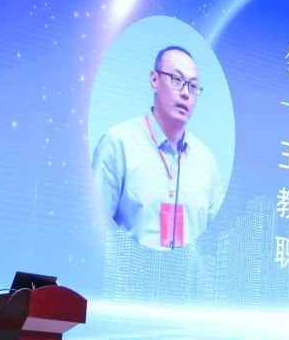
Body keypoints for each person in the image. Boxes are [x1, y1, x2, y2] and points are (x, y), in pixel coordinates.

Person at [92, 45, 224, 249]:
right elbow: (94, 229)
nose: (186, 93)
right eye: (177, 80)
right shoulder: (118, 143)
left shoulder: (206, 162)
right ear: (154, 80)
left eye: (193, 86)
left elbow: (216, 242)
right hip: (128, 267)